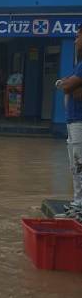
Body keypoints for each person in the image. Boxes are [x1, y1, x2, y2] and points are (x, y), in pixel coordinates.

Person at [56, 28, 82, 218]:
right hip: (72, 120)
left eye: (78, 37)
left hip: (79, 121)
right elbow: (67, 85)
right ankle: (77, 202)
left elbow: (67, 85)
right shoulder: (78, 65)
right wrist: (66, 85)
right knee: (75, 164)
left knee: (79, 163)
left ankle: (80, 205)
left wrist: (66, 85)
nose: (75, 41)